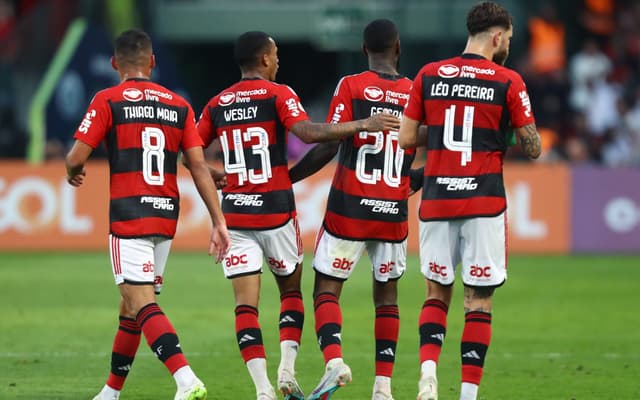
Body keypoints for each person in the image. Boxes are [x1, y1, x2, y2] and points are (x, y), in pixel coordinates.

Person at [194, 31, 400, 400]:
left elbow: (188, 154)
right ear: (263, 60)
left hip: (237, 214)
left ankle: (263, 390)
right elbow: (307, 133)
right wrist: (360, 125)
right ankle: (287, 369)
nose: (278, 62)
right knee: (291, 291)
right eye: (274, 56)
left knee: (245, 305)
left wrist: (216, 174)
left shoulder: (217, 103)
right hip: (275, 212)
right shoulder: (279, 93)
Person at [64, 29, 231, 400]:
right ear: (152, 62)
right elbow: (199, 167)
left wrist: (71, 170)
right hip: (164, 217)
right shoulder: (179, 104)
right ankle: (110, 392)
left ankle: (186, 379)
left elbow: (76, 156)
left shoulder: (108, 99)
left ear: (114, 64)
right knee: (130, 308)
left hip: (128, 214)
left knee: (141, 302)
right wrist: (218, 222)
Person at [398, 2, 542, 400]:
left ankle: (428, 374)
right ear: (497, 36)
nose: (507, 46)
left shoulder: (428, 74)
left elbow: (407, 138)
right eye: (508, 39)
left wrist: (443, 129)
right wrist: (501, 131)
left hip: (438, 199)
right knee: (478, 299)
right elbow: (533, 147)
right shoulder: (508, 80)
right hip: (483, 203)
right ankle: (467, 395)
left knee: (435, 292)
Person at [288, 19, 415, 400]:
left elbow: (329, 144)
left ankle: (334, 361)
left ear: (364, 51)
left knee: (326, 289)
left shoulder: (352, 85)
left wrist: (290, 177)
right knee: (388, 297)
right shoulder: (413, 92)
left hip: (351, 205)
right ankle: (383, 389)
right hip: (392, 207)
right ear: (398, 48)